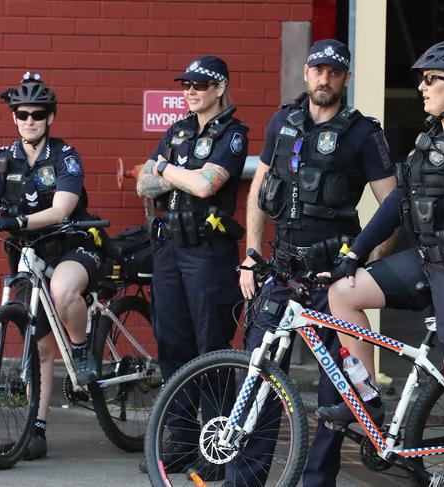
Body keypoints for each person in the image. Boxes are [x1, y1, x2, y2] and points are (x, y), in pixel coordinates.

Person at [320, 40, 444, 486]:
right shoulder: (432, 138)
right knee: (343, 294)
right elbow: (395, 205)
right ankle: (367, 398)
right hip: (428, 262)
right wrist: (353, 254)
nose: (422, 87)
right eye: (421, 79)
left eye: (431, 79)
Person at [229, 39, 397, 487]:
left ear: (345, 78)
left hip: (332, 277)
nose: (325, 78)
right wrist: (251, 256)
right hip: (281, 272)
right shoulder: (281, 122)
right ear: (306, 73)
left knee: (333, 390)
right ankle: (244, 480)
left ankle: (317, 482)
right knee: (259, 377)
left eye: (335, 72)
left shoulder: (364, 133)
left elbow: (391, 207)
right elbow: (259, 193)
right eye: (318, 70)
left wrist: (365, 263)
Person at [0, 72, 103, 459]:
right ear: (14, 117)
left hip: (73, 246)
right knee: (41, 349)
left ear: (50, 118)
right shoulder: (3, 158)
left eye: (38, 114)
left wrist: (17, 222)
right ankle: (37, 430)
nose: (30, 120)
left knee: (62, 291)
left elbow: (61, 209)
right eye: (22, 113)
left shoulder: (65, 156)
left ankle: (80, 349)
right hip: (30, 256)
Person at [136, 55, 248, 477]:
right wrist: (172, 172)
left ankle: (217, 447)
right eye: (186, 85)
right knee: (173, 345)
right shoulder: (177, 130)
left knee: (212, 348)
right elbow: (143, 182)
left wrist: (166, 168)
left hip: (207, 253)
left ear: (220, 88)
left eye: (200, 85)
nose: (190, 91)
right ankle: (181, 442)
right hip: (168, 250)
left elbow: (208, 185)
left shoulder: (233, 134)